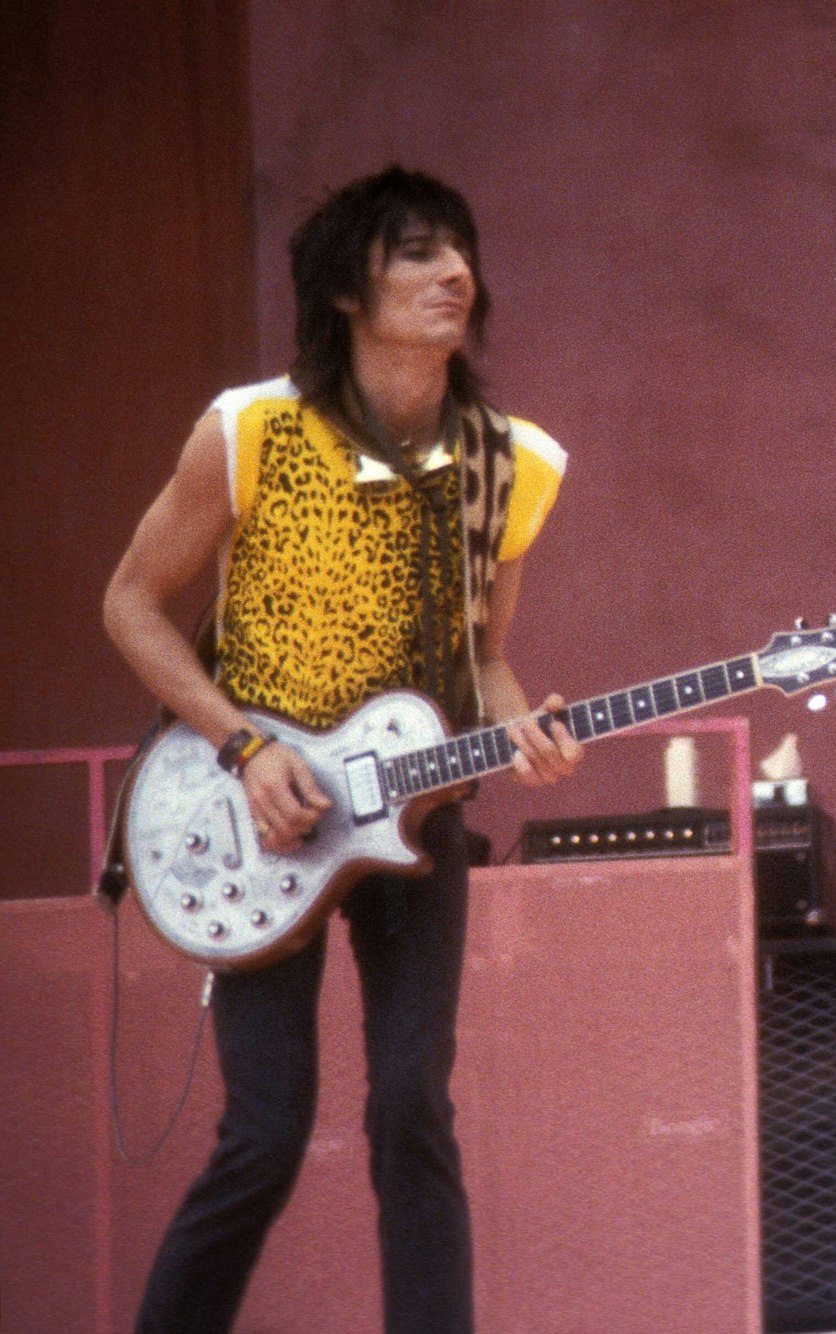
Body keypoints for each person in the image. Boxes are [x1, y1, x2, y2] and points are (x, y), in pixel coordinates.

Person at [103, 166, 582, 1333]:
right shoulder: (252, 429)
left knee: (412, 1105)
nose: (453, 272)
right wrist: (240, 747)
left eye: (459, 250)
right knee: (263, 1133)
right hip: (256, 813)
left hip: (421, 815)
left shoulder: (508, 460)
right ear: (342, 294)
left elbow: (484, 657)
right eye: (416, 253)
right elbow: (129, 602)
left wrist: (523, 722)